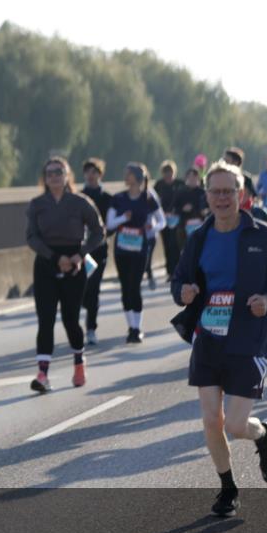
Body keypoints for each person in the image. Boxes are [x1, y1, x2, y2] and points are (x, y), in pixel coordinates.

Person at [171, 159, 267, 517]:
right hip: (208, 336)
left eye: (229, 191)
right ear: (206, 196)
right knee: (212, 419)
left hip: (249, 338)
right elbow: (177, 281)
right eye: (216, 191)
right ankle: (228, 488)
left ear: (241, 194)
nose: (223, 197)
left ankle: (264, 433)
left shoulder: (263, 235)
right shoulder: (199, 238)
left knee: (237, 425)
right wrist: (186, 292)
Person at [25, 156, 103, 391]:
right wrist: (54, 258)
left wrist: (81, 254)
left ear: (67, 175)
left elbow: (98, 232)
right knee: (45, 319)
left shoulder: (80, 202)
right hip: (47, 263)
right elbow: (31, 237)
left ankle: (79, 362)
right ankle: (42, 375)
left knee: (71, 319)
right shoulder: (37, 204)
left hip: (75, 263)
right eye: (49, 173)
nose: (54, 176)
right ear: (44, 179)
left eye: (59, 172)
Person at [108, 162, 165, 343]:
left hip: (140, 248)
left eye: (129, 173)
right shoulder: (118, 198)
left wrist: (153, 227)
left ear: (138, 177)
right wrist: (123, 218)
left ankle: (137, 328)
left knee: (135, 286)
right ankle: (130, 327)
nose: (126, 177)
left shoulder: (148, 198)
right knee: (125, 287)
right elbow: (109, 224)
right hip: (122, 249)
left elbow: (161, 220)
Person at [80, 158, 112, 345]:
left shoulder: (107, 198)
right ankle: (85, 306)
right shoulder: (79, 196)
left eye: (94, 172)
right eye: (88, 172)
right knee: (82, 288)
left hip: (99, 249)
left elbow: (113, 223)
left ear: (100, 175)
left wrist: (106, 231)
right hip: (83, 250)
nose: (91, 175)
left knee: (94, 288)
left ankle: (91, 328)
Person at [154, 160, 185, 282]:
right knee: (167, 245)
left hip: (177, 220)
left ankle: (177, 271)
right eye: (166, 172)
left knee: (175, 245)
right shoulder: (159, 185)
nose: (168, 175)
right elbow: (153, 201)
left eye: (170, 172)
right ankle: (170, 271)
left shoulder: (180, 184)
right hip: (163, 219)